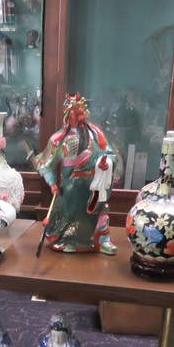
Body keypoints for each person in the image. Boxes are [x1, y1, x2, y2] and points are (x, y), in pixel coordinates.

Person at [33, 93, 117, 255]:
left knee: (100, 207)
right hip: (71, 185)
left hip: (94, 183)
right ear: (67, 116)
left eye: (82, 113)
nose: (80, 118)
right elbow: (45, 164)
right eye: (76, 114)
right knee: (68, 212)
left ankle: (102, 240)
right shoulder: (58, 139)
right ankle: (67, 240)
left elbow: (108, 152)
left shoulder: (96, 134)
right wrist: (52, 183)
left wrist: (105, 163)